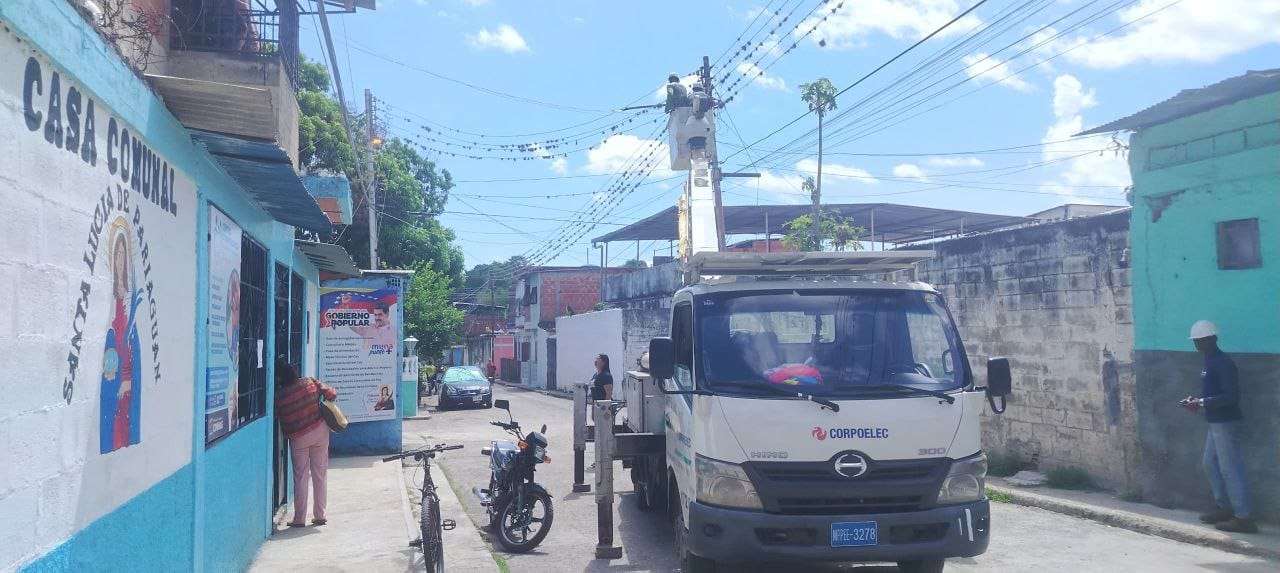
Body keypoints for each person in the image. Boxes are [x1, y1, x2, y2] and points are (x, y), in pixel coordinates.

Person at [1182, 320, 1256, 533]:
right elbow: (1214, 393)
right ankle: (1225, 507)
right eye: (1196, 341)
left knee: (1229, 468)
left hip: (1225, 422)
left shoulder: (1222, 362)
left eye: (1202, 340)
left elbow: (1231, 397)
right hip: (1215, 422)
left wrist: (1202, 402)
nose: (1198, 344)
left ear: (1213, 339)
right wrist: (1197, 401)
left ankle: (1244, 517)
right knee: (1210, 464)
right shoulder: (1210, 360)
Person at [275, 360, 337, 527]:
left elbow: (279, 416)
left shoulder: (280, 396)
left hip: (298, 438)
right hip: (320, 432)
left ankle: (299, 518)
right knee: (320, 474)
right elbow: (332, 393)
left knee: (301, 477)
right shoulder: (310, 382)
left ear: (279, 378)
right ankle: (320, 515)